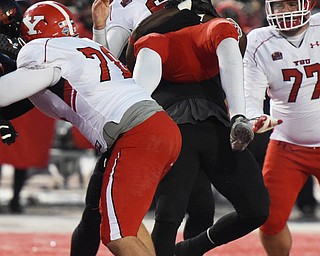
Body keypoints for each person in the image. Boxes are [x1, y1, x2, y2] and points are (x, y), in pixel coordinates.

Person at [0, 1, 182, 255]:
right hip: (160, 127)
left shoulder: (42, 51)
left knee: (117, 235)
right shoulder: (87, 46)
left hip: (135, 134)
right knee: (125, 221)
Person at [70, 1, 215, 255]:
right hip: (143, 108)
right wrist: (101, 28)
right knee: (101, 210)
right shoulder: (125, 6)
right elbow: (104, 64)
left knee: (197, 206)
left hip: (191, 107)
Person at [130, 4, 271, 256]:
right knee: (175, 214)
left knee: (248, 209)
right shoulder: (158, 35)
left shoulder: (163, 36)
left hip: (205, 127)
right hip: (181, 127)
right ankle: (188, 249)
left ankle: (187, 250)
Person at [243, 0, 320, 255]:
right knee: (269, 220)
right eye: (279, 5)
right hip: (287, 145)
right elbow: (251, 92)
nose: (285, 11)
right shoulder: (259, 40)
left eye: (290, 3)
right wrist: (254, 116)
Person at [0, 0, 56, 214]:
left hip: (26, 94)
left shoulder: (33, 28)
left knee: (23, 153)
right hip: (17, 93)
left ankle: (15, 197)